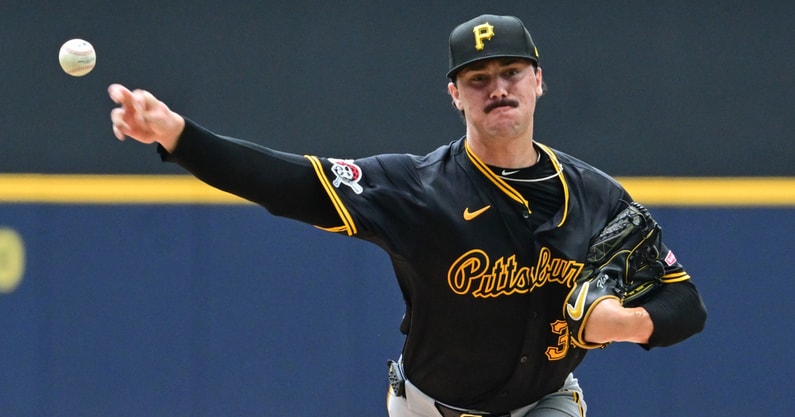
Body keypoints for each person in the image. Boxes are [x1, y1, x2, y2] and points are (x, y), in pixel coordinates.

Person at [108, 14, 706, 417]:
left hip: (546, 402)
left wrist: (626, 323)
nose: (497, 88)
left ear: (538, 81)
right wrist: (179, 136)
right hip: (433, 410)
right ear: (455, 94)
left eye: (511, 72)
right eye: (478, 78)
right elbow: (290, 183)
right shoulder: (416, 189)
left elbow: (684, 301)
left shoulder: (597, 196)